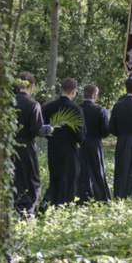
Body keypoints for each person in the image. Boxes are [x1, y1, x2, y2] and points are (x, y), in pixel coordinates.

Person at [41, 78, 86, 209]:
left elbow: (44, 129)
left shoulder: (49, 107)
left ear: (61, 90)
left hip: (53, 147)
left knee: (55, 177)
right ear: (73, 91)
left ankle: (48, 201)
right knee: (70, 178)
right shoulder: (76, 109)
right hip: (69, 148)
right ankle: (64, 205)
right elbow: (80, 135)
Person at [12, 72, 44, 215]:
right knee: (31, 179)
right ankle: (27, 211)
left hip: (8, 145)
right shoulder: (33, 104)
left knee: (13, 177)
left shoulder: (7, 103)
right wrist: (48, 129)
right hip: (26, 146)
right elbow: (36, 129)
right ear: (31, 86)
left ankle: (12, 209)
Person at [77, 84, 111, 202]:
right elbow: (105, 132)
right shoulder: (100, 110)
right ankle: (100, 196)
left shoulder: (77, 108)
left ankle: (80, 196)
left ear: (83, 94)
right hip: (94, 143)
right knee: (97, 171)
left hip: (79, 143)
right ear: (95, 95)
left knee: (81, 170)